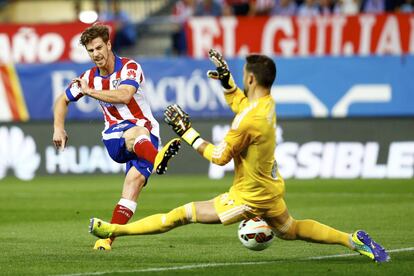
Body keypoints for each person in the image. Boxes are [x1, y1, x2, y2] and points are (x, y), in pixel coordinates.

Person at [89, 49, 389, 263]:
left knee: (180, 215)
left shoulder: (248, 121)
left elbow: (219, 156)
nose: (242, 79)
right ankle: (354, 240)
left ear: (252, 80)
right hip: (270, 188)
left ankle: (115, 229)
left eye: (243, 76)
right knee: (292, 229)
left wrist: (187, 132)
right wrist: (227, 82)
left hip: (248, 197)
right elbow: (244, 103)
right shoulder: (267, 104)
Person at [53, 23, 181, 251]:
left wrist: (89, 91)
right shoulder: (88, 77)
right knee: (137, 133)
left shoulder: (130, 68)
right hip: (117, 137)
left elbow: (124, 95)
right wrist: (58, 128)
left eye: (99, 48)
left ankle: (106, 239)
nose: (96, 54)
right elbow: (61, 100)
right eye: (91, 51)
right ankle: (158, 158)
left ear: (109, 44)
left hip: (148, 135)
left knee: (134, 184)